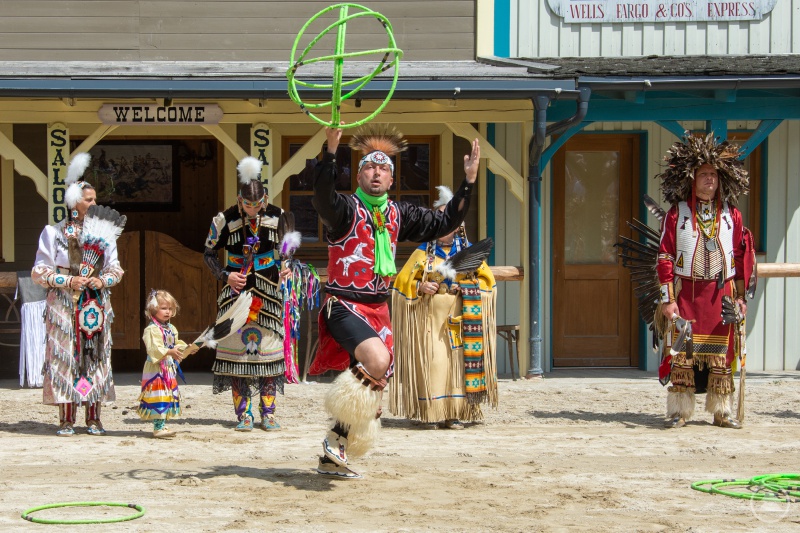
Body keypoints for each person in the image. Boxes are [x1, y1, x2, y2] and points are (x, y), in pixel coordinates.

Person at [309, 126, 480, 478]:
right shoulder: (345, 211)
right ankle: (333, 440)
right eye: (369, 167)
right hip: (344, 302)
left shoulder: (400, 215)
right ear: (359, 175)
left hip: (379, 308)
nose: (376, 173)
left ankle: (334, 448)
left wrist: (470, 180)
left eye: (383, 168)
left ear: (390, 179)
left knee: (376, 379)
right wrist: (330, 151)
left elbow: (447, 220)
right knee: (377, 358)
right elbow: (322, 197)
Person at [656, 132, 754, 429]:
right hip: (686, 295)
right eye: (704, 174)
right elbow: (664, 257)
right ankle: (679, 412)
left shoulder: (731, 216)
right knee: (683, 355)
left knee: (721, 356)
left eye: (713, 174)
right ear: (693, 178)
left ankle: (721, 412)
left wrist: (740, 298)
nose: (709, 179)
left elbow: (740, 259)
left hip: (721, 295)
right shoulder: (677, 214)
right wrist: (667, 300)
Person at [32, 153, 125, 436]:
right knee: (66, 358)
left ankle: (94, 417)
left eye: (95, 200)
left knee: (93, 356)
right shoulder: (53, 233)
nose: (94, 204)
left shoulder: (104, 235)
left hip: (95, 305)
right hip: (63, 305)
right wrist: (68, 280)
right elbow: (39, 271)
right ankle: (67, 419)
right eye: (89, 200)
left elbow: (116, 269)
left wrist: (101, 280)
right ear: (74, 203)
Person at [390, 186, 498, 429]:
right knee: (434, 363)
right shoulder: (423, 253)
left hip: (460, 319)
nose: (442, 224)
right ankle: (432, 413)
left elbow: (487, 282)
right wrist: (420, 287)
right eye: (438, 218)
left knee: (458, 366)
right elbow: (402, 283)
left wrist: (468, 287)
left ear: (457, 225)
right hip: (429, 321)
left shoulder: (468, 254)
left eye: (447, 219)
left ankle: (455, 414)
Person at [203, 156, 290, 432]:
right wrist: (224, 275)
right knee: (236, 354)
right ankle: (244, 415)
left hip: (269, 292)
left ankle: (269, 413)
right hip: (235, 293)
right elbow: (208, 253)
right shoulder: (225, 219)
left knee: (269, 352)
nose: (252, 210)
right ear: (240, 200)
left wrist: (287, 266)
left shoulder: (278, 216)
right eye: (247, 205)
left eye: (257, 204)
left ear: (264, 199)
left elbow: (288, 250)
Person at [137, 290, 188, 438]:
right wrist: (169, 352)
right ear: (153, 309)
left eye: (170, 308)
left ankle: (162, 426)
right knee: (159, 395)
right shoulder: (152, 329)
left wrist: (188, 348)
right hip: (156, 368)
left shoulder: (171, 328)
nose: (168, 312)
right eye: (164, 308)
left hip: (168, 367)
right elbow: (154, 349)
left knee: (167, 395)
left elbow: (176, 344)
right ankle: (158, 427)